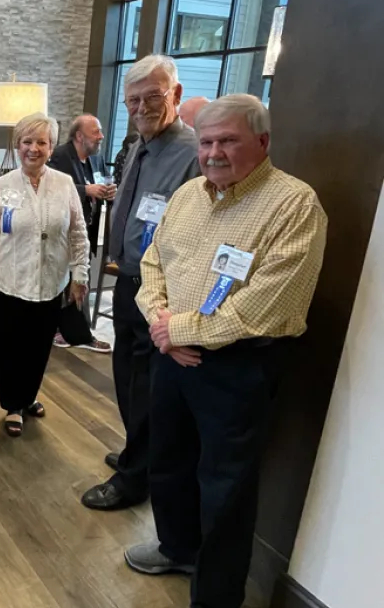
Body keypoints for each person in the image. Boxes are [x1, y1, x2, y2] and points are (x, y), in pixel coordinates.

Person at [126, 95, 327, 608]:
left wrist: (182, 330)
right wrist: (161, 325)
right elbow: (153, 265)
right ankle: (176, 547)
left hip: (238, 366)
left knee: (225, 489)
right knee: (167, 462)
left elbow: (269, 301)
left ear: (262, 142)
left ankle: (215, 596)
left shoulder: (294, 205)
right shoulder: (189, 195)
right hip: (172, 354)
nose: (214, 152)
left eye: (228, 140)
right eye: (207, 141)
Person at [81, 54, 200, 512]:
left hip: (163, 293)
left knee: (149, 391)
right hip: (128, 281)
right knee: (129, 383)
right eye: (133, 100)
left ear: (176, 96)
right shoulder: (136, 145)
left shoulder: (192, 154)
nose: (142, 107)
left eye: (154, 97)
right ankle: (139, 453)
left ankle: (135, 478)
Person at [0, 113, 90, 436]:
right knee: (11, 348)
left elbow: (78, 231)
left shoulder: (64, 183)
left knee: (39, 347)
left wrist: (80, 273)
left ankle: (29, 395)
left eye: (42, 142)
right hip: (10, 281)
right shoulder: (3, 185)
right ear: (17, 145)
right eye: (27, 142)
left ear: (51, 147)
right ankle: (12, 404)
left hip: (51, 282)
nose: (34, 149)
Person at [48, 114, 115, 353]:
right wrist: (86, 190)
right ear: (79, 135)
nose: (101, 136)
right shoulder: (59, 156)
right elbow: (50, 187)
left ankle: (74, 331)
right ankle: (73, 332)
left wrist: (107, 191)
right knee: (69, 282)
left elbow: (97, 186)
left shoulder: (96, 160)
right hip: (63, 233)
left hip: (86, 232)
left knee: (80, 281)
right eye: (96, 132)